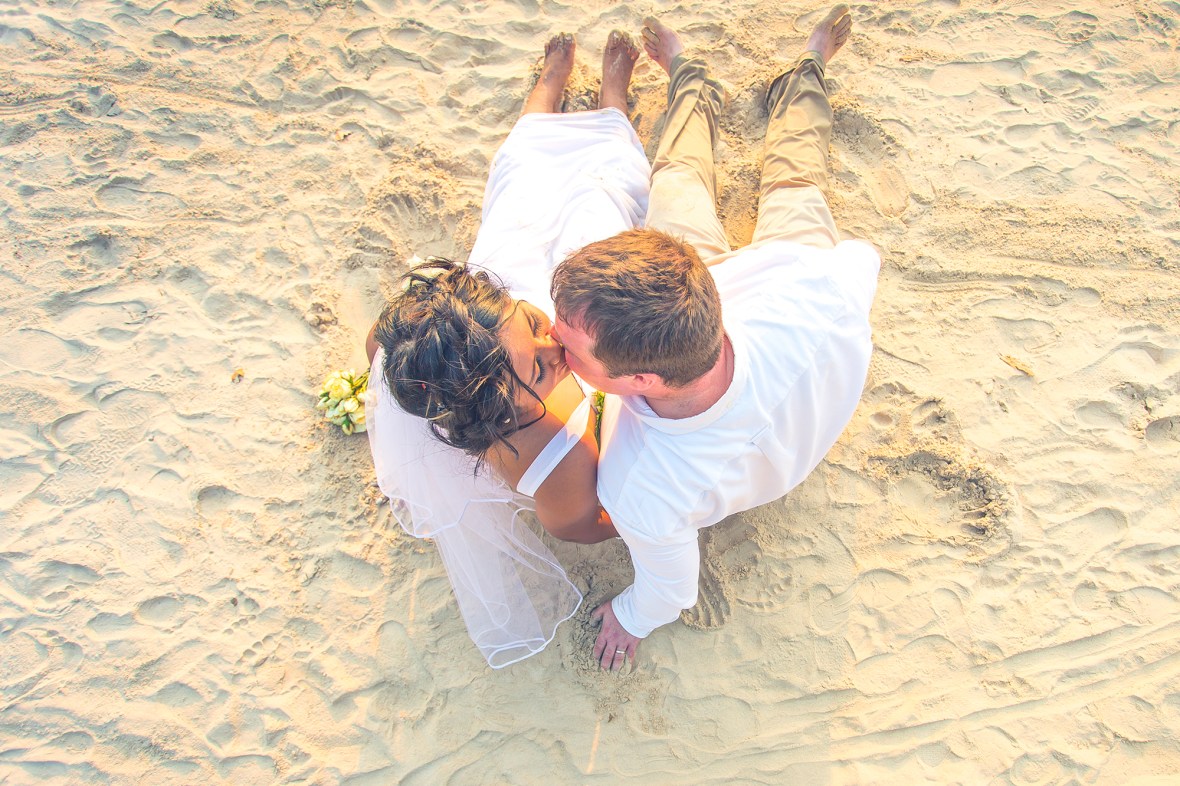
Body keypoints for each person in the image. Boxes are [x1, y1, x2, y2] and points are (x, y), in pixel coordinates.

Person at [549, 6, 881, 670]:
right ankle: (744, 75)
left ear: (640, 382)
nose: (555, 351)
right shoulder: (818, 291)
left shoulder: (641, 487)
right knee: (793, 184)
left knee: (682, 181)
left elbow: (671, 589)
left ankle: (744, 75)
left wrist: (628, 614)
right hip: (773, 284)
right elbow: (858, 264)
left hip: (760, 294)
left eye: (571, 348)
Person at [364, 32, 649, 668]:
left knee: (521, 182)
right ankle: (613, 101)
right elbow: (591, 526)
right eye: (544, 366)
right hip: (507, 358)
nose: (555, 339)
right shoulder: (554, 456)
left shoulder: (455, 335)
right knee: (603, 195)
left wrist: (525, 331)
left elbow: (381, 343)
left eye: (533, 322)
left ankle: (547, 88)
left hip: (511, 281)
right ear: (503, 413)